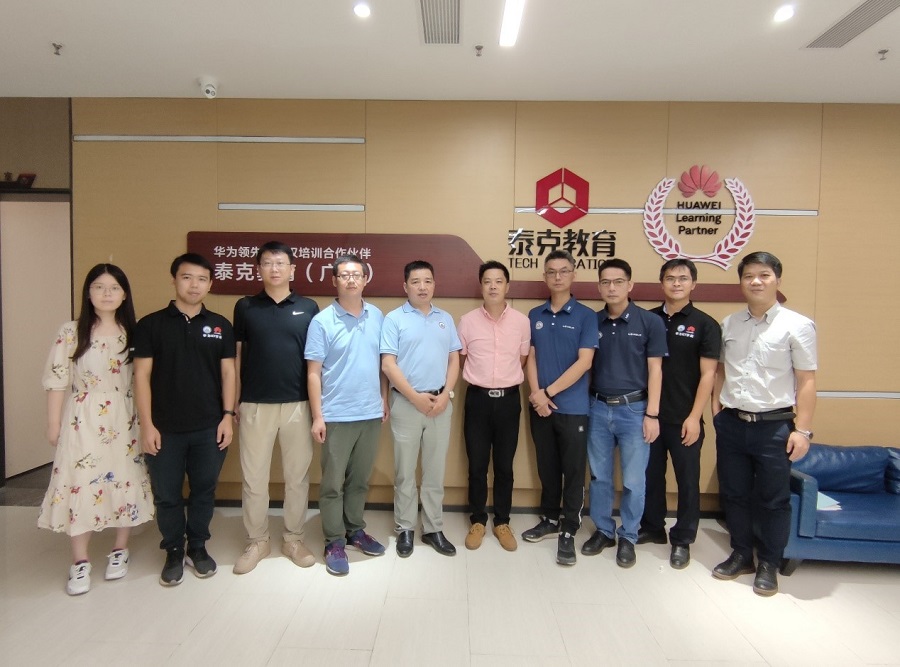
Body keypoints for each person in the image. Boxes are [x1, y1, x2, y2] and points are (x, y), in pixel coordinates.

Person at [39, 264, 154, 595]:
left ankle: (120, 549)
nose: (107, 293)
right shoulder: (71, 331)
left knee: (125, 477)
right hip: (83, 418)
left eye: (114, 287)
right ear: (88, 292)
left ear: (124, 294)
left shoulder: (135, 331)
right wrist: (53, 423)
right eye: (99, 287)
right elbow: (57, 380)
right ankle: (79, 561)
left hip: (126, 417)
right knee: (79, 481)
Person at [711, 251, 816, 597]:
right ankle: (742, 554)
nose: (756, 281)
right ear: (741, 282)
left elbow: (807, 381)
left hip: (774, 427)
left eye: (764, 275)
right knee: (734, 494)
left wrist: (803, 431)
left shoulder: (797, 325)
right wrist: (716, 412)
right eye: (749, 276)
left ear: (777, 280)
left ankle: (769, 562)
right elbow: (721, 371)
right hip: (732, 423)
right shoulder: (729, 324)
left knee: (774, 499)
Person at [134, 253, 236, 586]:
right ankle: (174, 549)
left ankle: (198, 546)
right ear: (174, 280)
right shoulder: (151, 325)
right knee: (167, 494)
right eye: (187, 277)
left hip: (210, 427)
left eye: (202, 279)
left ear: (210, 283)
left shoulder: (220, 325)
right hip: (164, 429)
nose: (194, 285)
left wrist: (227, 416)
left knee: (204, 491)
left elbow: (228, 373)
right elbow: (141, 376)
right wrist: (147, 425)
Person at [231, 241, 319, 574]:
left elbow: (315, 361)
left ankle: (293, 538)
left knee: (297, 478)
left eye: (281, 263)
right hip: (255, 403)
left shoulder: (309, 307)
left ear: (293, 269)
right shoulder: (245, 306)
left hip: (298, 403)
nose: (274, 268)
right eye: (267, 263)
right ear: (259, 269)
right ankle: (257, 540)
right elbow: (237, 357)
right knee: (254, 478)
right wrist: (235, 401)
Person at [305, 255, 388, 576]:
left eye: (356, 274)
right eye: (344, 275)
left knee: (359, 480)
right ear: (334, 281)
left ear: (366, 279)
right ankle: (334, 540)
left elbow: (383, 363)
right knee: (332, 483)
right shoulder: (322, 321)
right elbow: (313, 373)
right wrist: (318, 416)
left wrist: (383, 399)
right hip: (336, 415)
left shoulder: (377, 316)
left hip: (370, 413)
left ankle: (355, 530)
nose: (351, 280)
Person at [583, 258, 667, 568]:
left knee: (633, 480)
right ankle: (604, 531)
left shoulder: (649, 322)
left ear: (630, 285)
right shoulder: (592, 321)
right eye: (605, 282)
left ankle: (629, 536)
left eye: (618, 282)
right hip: (597, 407)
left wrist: (652, 414)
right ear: (599, 287)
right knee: (599, 477)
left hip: (635, 410)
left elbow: (656, 370)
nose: (612, 287)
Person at [638, 258, 720, 569]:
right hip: (650, 415)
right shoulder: (648, 319)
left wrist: (695, 417)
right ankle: (652, 527)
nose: (676, 283)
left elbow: (709, 375)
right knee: (650, 476)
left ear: (693, 284)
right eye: (670, 278)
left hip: (685, 418)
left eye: (683, 278)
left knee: (687, 480)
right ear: (661, 283)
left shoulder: (705, 324)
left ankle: (683, 539)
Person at [380, 260, 461, 558]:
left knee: (434, 472)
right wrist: (415, 397)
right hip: (406, 404)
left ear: (434, 284)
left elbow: (454, 359)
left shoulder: (445, 318)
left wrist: (446, 395)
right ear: (405, 286)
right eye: (415, 282)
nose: (422, 287)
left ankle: (433, 528)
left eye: (427, 281)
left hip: (441, 404)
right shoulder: (394, 319)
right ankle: (405, 528)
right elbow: (388, 364)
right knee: (404, 471)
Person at [523, 250, 596, 566]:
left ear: (573, 275)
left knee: (574, 470)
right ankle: (550, 519)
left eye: (563, 271)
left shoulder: (586, 315)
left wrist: (548, 392)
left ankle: (569, 527)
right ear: (544, 276)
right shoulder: (534, 314)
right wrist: (536, 394)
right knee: (547, 467)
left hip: (573, 407)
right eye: (551, 272)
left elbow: (585, 362)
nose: (557, 277)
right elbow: (530, 357)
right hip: (540, 407)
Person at [457, 261, 530, 552]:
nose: (493, 286)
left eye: (499, 281)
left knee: (504, 465)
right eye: (487, 281)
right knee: (476, 464)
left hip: (509, 400)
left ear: (507, 286)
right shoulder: (467, 321)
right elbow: (462, 359)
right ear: (481, 286)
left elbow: (522, 359)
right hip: (477, 399)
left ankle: (502, 521)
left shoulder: (521, 322)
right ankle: (478, 520)